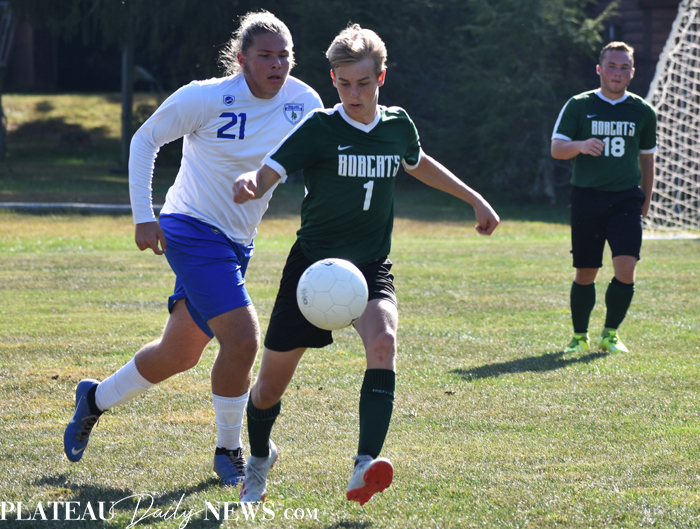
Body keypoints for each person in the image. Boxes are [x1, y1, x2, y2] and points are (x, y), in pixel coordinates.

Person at [232, 24, 499, 505]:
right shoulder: (319, 128)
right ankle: (258, 459)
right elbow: (271, 169)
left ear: (381, 78)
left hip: (371, 265)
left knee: (384, 341)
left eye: (362, 83)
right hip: (313, 270)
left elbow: (417, 161)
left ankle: (364, 464)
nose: (353, 94)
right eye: (343, 83)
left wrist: (474, 199)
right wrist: (253, 181)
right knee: (268, 389)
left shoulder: (398, 126)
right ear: (333, 80)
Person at [63, 11, 323, 487]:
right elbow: (145, 139)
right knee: (243, 339)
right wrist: (144, 215)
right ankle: (229, 450)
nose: (276, 64)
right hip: (188, 228)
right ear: (241, 59)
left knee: (179, 353)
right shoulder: (205, 97)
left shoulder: (304, 102)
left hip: (238, 242)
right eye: (265, 55)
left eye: (284, 55)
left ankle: (93, 399)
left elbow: (318, 159)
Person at [551, 41, 657, 354]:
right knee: (586, 271)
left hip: (626, 199)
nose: (617, 73)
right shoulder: (579, 105)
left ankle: (610, 334)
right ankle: (579, 335)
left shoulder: (643, 110)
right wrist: (581, 145)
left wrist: (646, 200)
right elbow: (557, 149)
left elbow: (647, 159)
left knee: (626, 268)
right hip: (588, 197)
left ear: (632, 72)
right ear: (600, 69)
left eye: (624, 67)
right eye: (612, 66)